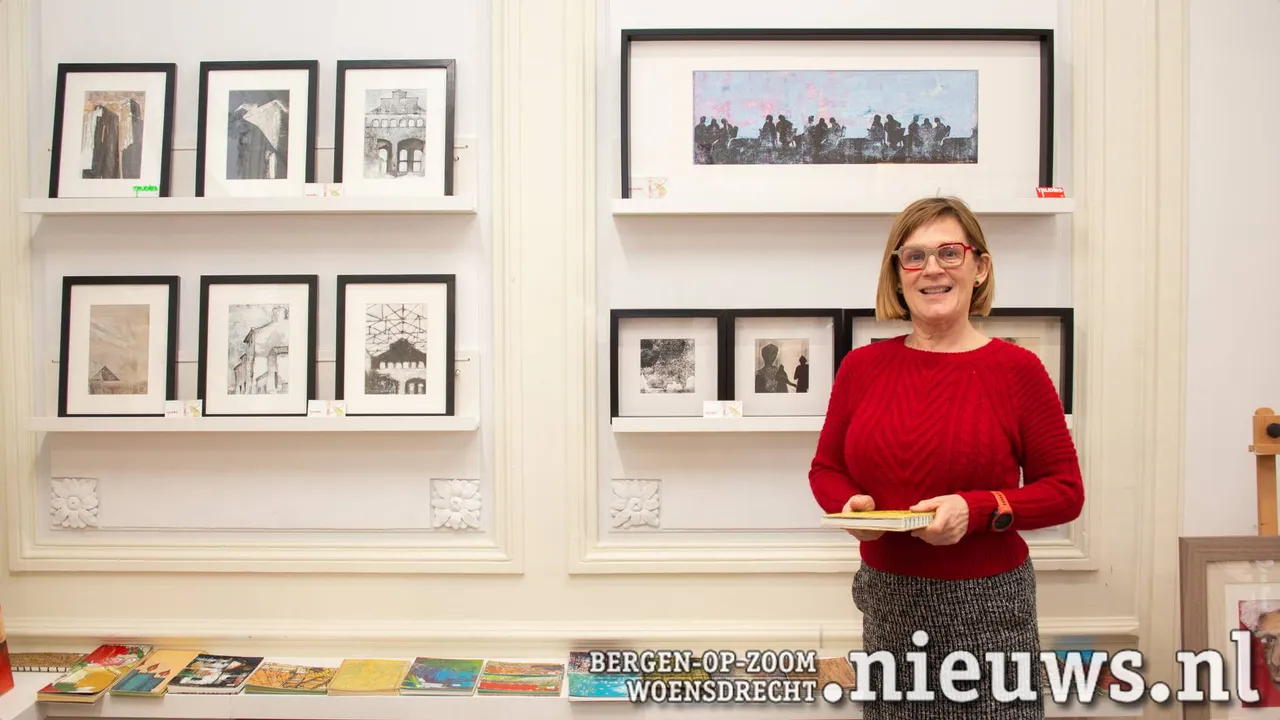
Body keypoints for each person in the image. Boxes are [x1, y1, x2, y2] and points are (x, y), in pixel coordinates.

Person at [808, 196, 1084, 719]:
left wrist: (977, 510)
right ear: (897, 274)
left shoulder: (1018, 370)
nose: (931, 269)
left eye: (949, 253)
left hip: (990, 610)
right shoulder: (862, 367)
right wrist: (851, 506)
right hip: (888, 603)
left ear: (980, 267)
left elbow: (1065, 492)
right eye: (913, 256)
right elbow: (825, 469)